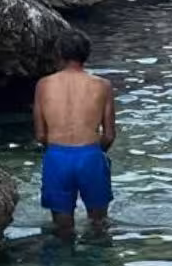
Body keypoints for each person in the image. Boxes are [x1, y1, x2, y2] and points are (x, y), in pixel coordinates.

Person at [33, 31, 117, 240]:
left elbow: (41, 135)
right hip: (90, 156)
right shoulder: (103, 85)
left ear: (59, 54)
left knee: (62, 231)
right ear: (86, 55)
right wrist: (95, 152)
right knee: (99, 227)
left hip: (57, 157)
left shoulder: (43, 85)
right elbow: (109, 135)